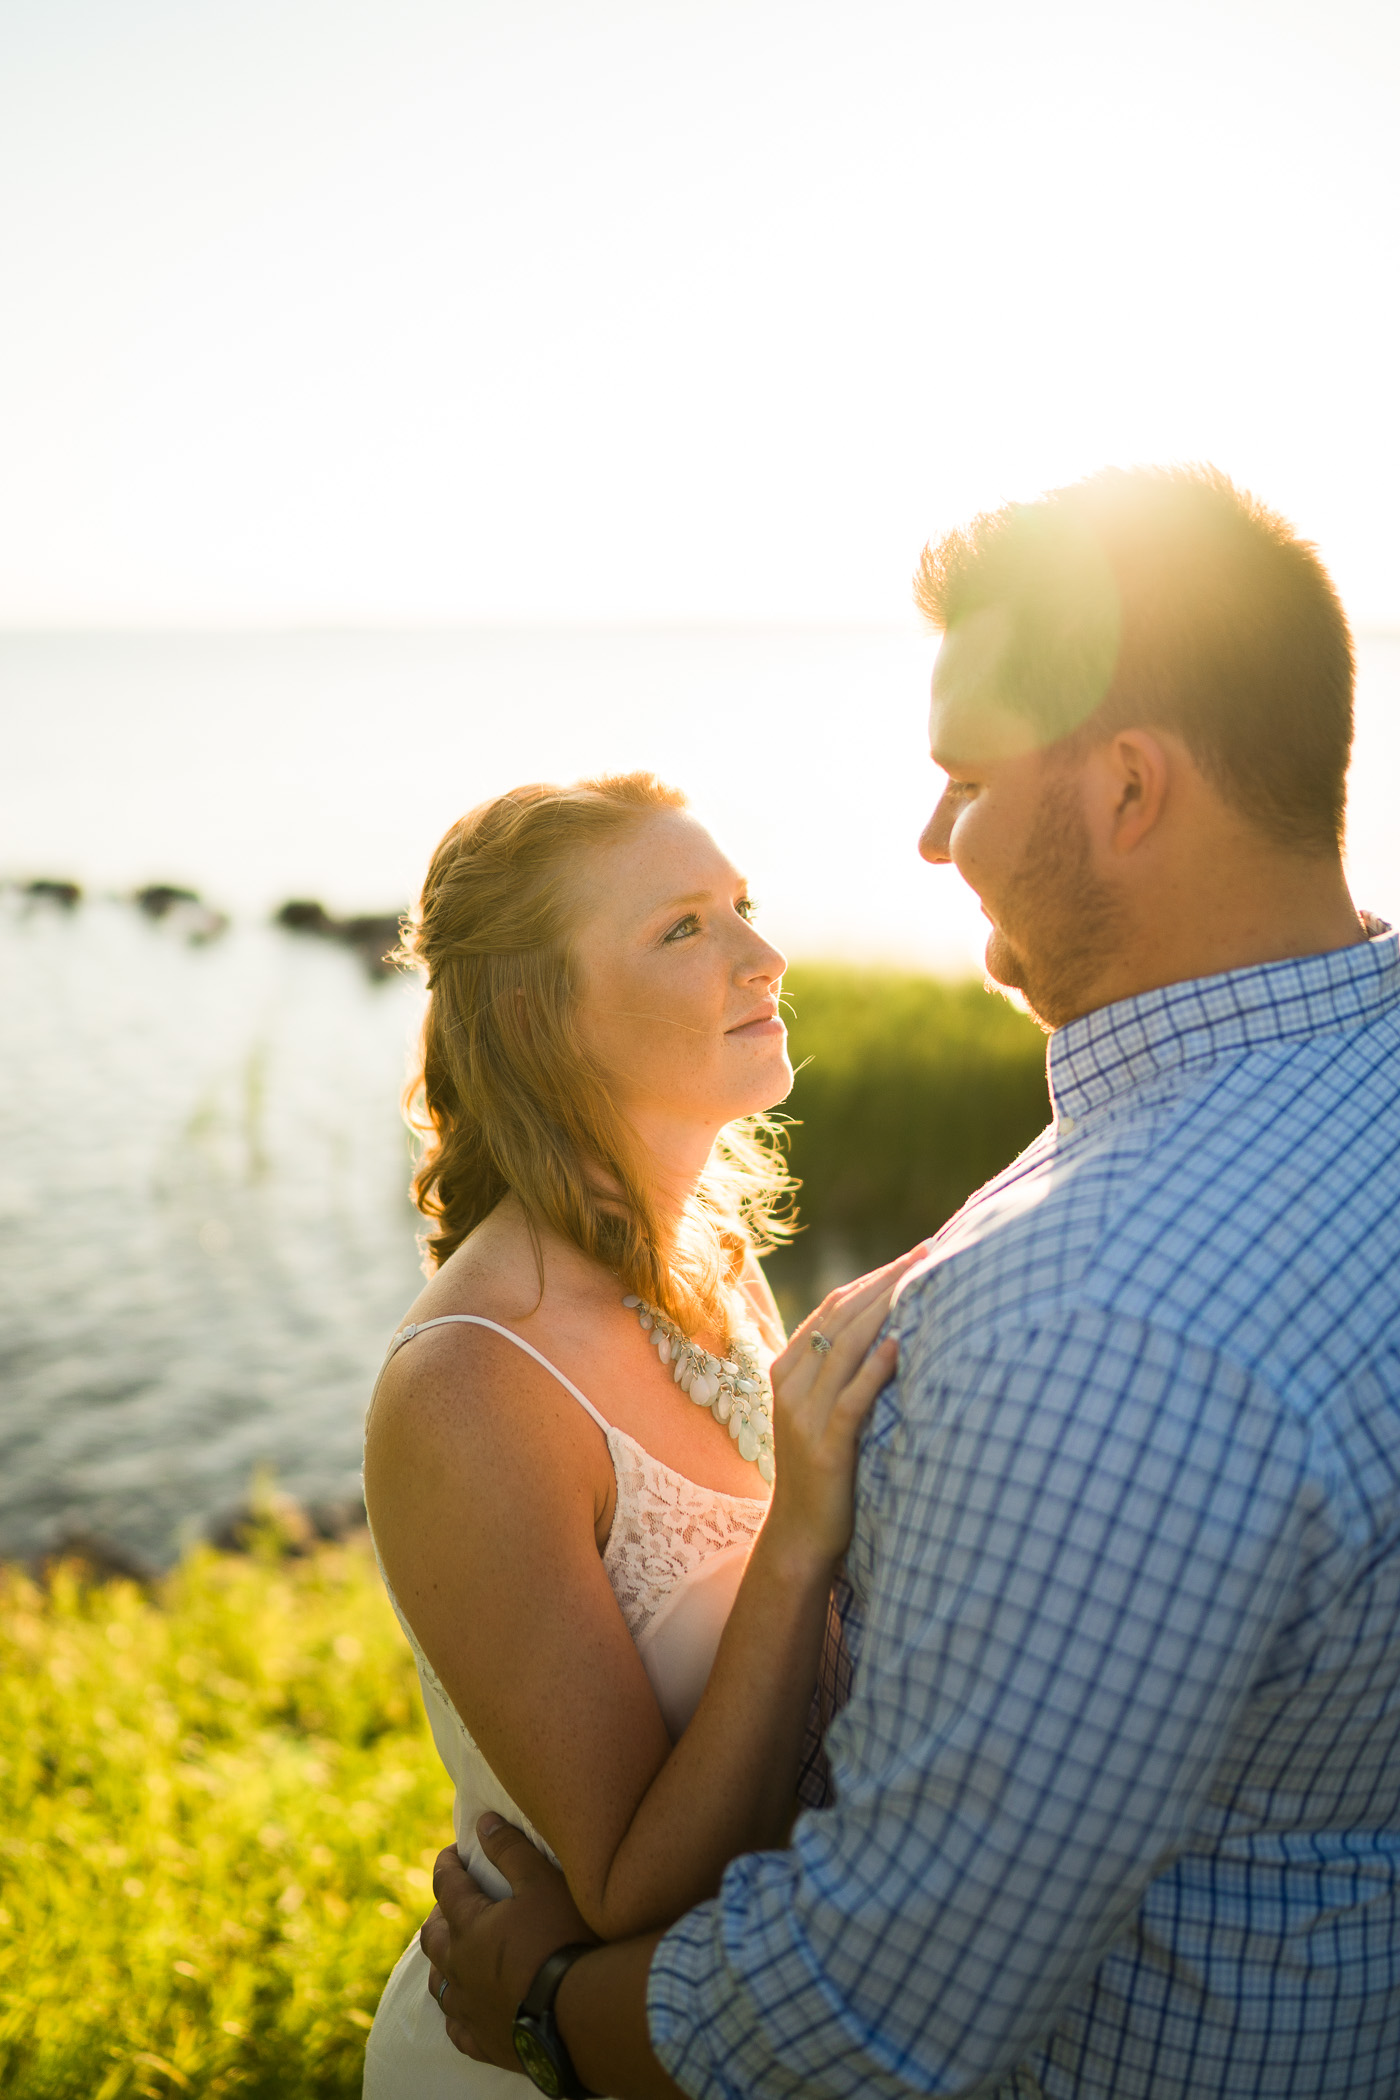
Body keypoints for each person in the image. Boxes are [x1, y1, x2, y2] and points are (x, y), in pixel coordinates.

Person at [419, 464, 1400, 2099]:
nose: (930, 839)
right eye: (683, 927)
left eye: (962, 780)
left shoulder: (1096, 1315)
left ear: (1129, 791)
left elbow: (868, 2016)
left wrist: (545, 2010)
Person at [360, 770, 923, 2096]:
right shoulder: (473, 1383)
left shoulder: (715, 1260)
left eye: (742, 907)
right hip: (546, 2056)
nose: (763, 956)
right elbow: (622, 1891)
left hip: (739, 2034)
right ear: (532, 1014)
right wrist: (803, 1531)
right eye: (683, 929)